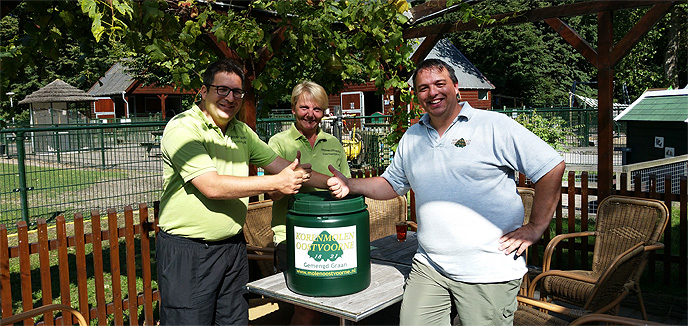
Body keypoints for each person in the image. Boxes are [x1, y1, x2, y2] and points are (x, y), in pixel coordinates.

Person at [327, 58, 565, 325]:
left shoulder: (492, 126)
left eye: (440, 84)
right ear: (417, 95)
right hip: (430, 266)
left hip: (486, 269)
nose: (433, 93)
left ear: (456, 86)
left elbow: (551, 166)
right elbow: (392, 184)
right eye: (423, 88)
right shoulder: (413, 136)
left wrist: (535, 227)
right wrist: (350, 184)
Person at [156, 58, 315, 325]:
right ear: (204, 91)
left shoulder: (241, 131)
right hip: (189, 252)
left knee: (234, 321)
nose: (230, 98)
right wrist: (275, 183)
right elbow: (211, 185)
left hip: (232, 248)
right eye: (222, 90)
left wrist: (342, 182)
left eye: (237, 92)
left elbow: (284, 167)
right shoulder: (183, 128)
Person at [267, 81, 351, 325]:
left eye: (317, 109)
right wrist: (292, 181)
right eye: (304, 107)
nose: (310, 114)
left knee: (336, 300)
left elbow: (345, 186)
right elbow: (273, 194)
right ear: (293, 108)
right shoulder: (279, 143)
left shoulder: (334, 144)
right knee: (307, 308)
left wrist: (341, 187)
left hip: (333, 233)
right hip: (292, 236)